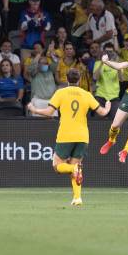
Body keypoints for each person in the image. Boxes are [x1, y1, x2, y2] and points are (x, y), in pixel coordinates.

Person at [27, 69, 111, 206]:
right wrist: (107, 107)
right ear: (79, 80)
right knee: (76, 166)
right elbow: (102, 113)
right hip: (83, 136)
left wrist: (34, 109)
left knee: (57, 165)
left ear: (67, 79)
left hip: (66, 134)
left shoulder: (60, 93)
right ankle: (77, 198)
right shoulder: (86, 94)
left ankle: (73, 170)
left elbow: (49, 112)